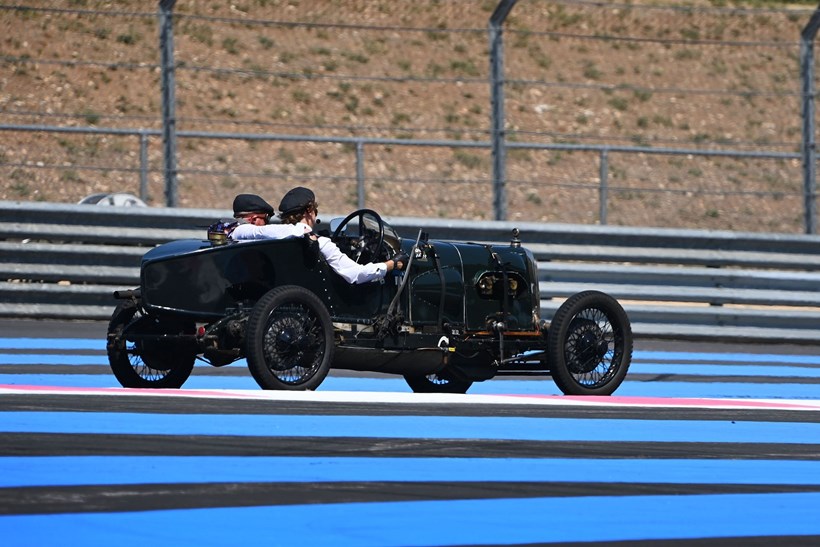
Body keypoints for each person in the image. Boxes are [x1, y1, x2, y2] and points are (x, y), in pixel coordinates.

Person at [230, 189, 408, 284]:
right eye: (315, 211)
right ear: (309, 211)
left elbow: (243, 230)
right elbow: (356, 275)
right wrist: (391, 264)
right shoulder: (318, 242)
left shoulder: (267, 236)